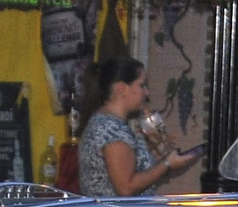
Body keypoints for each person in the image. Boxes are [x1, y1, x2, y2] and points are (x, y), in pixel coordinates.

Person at [78, 56, 201, 195]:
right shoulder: (111, 130)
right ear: (122, 88)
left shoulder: (104, 122)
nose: (147, 93)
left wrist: (157, 160)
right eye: (142, 85)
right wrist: (166, 165)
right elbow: (126, 187)